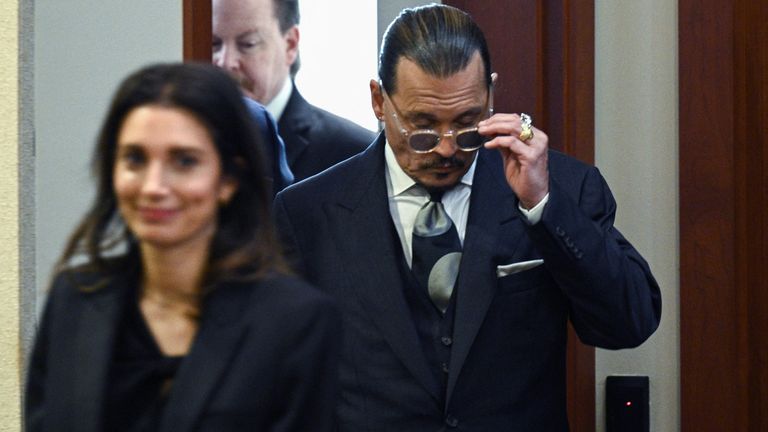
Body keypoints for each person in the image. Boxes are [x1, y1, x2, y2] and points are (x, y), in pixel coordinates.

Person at [273, 4, 662, 431]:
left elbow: (629, 323)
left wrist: (543, 206)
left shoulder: (564, 187)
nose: (445, 148)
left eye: (466, 124)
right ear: (379, 102)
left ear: (491, 96)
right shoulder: (308, 213)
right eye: (422, 127)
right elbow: (279, 379)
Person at [25, 62, 341, 432]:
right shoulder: (76, 297)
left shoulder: (296, 322)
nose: (154, 186)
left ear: (227, 179)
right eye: (135, 159)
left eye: (184, 161)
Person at [212, 0, 375, 182]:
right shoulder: (185, 140)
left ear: (290, 44)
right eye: (214, 44)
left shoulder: (356, 153)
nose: (225, 62)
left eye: (248, 44)